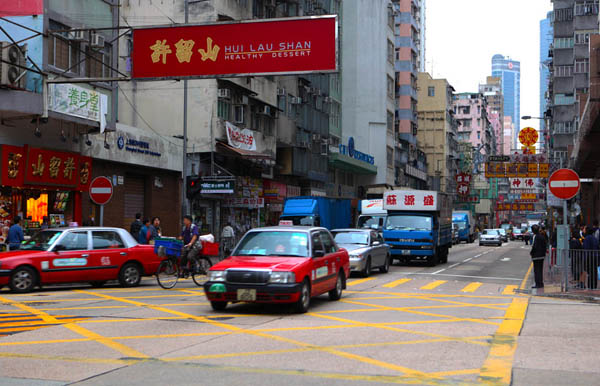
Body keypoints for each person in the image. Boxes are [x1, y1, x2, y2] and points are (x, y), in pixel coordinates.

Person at [582, 225, 600, 290]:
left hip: (589, 257)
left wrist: (585, 260)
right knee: (594, 272)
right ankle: (594, 286)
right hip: (595, 257)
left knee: (590, 273)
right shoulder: (594, 238)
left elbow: (586, 249)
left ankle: (590, 286)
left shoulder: (587, 238)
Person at [530, 224, 547, 289]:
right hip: (542, 255)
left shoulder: (535, 237)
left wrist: (531, 253)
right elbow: (545, 245)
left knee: (537, 270)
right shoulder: (542, 236)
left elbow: (535, 246)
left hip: (536, 256)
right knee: (540, 269)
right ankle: (541, 283)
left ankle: (538, 284)